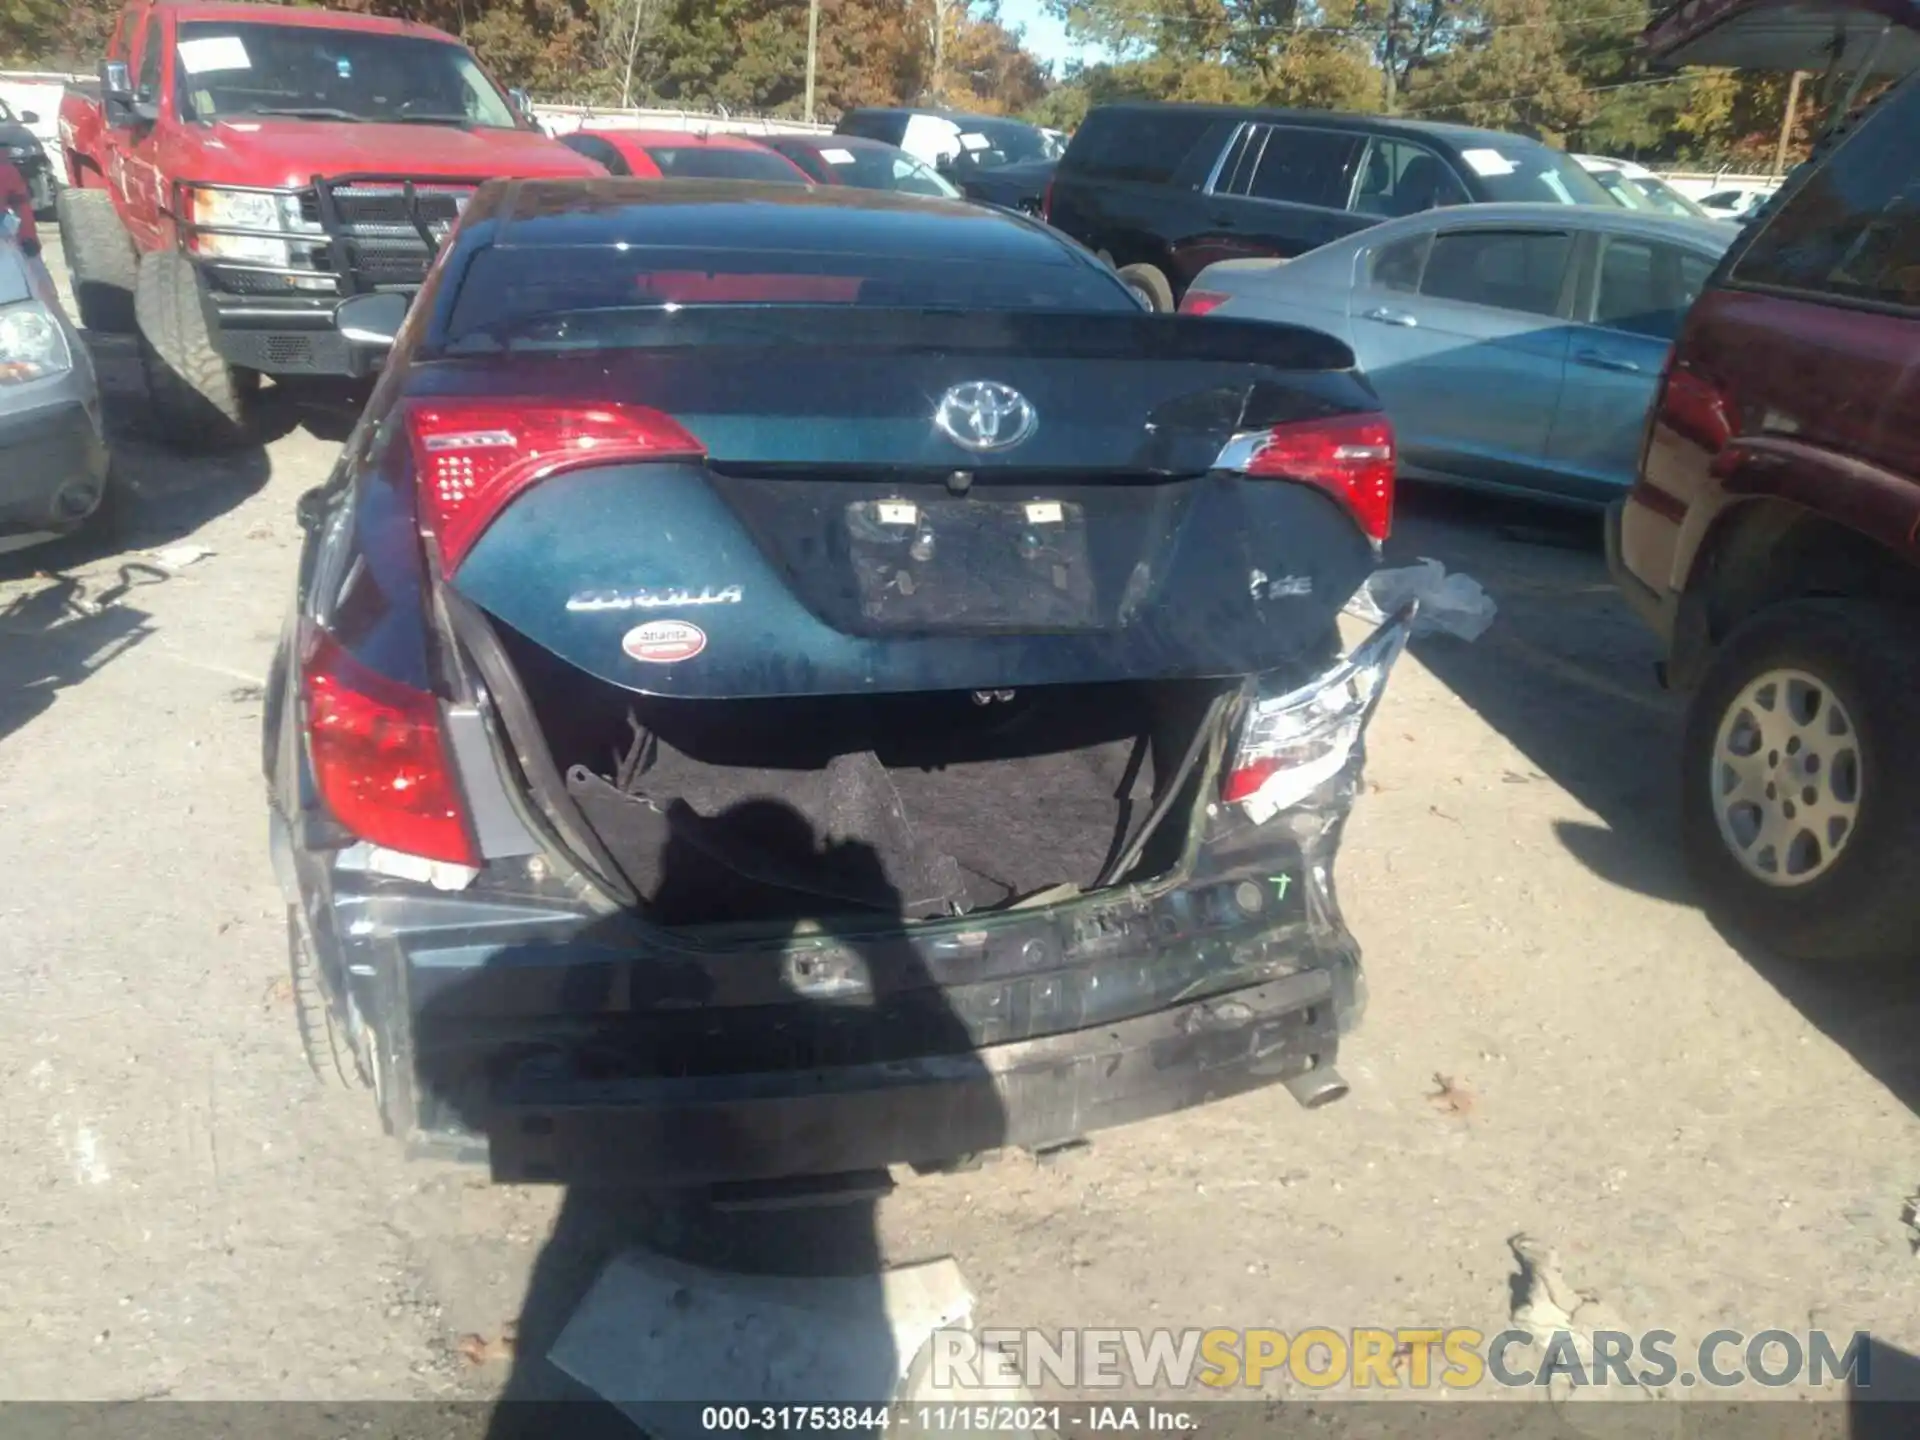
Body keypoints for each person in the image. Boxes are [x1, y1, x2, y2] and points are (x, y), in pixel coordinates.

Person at [0, 159, 65, 315]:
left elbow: (20, 205)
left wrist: (28, 238)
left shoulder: (5, 169)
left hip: (10, 246)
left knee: (41, 295)